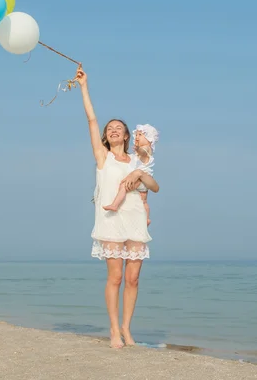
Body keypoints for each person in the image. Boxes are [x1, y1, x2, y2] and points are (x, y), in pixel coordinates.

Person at [75, 67, 160, 349]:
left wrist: (139, 175)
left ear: (125, 136)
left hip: (134, 219)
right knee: (116, 276)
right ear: (106, 136)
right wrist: (84, 87)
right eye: (109, 129)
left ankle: (127, 329)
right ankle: (113, 330)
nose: (113, 131)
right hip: (111, 219)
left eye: (118, 129)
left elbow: (153, 184)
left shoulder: (138, 159)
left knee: (133, 279)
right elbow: (91, 118)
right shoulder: (103, 157)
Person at [102, 124, 159, 226]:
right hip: (143, 181)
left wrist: (138, 150)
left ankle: (115, 204)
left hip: (141, 179)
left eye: (140, 135)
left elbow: (144, 152)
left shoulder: (147, 148)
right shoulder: (134, 156)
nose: (137, 137)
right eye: (136, 135)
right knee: (144, 200)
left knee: (123, 186)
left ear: (149, 139)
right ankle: (147, 218)